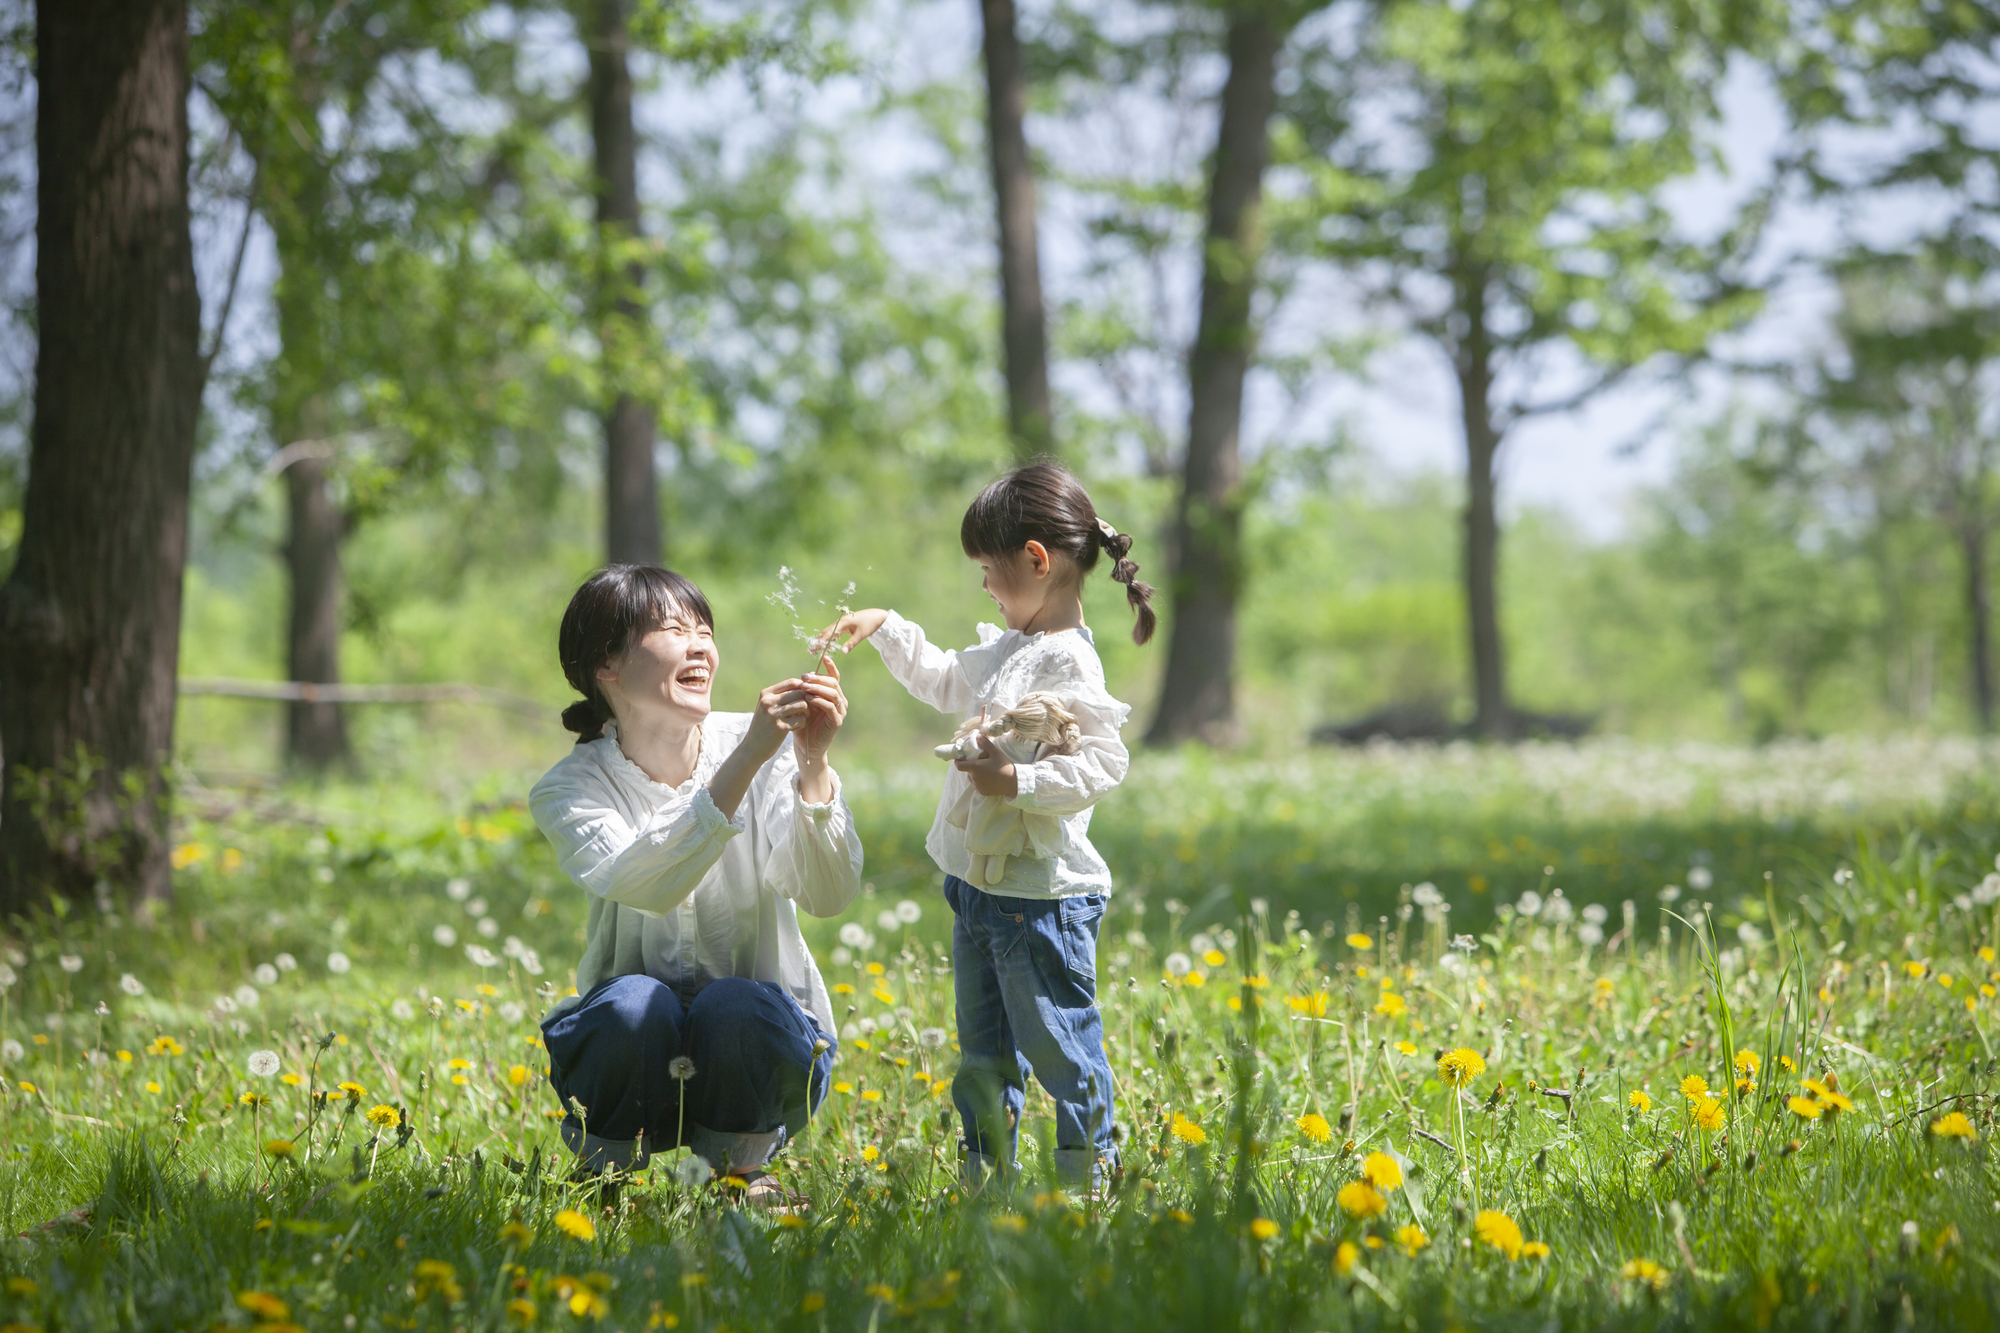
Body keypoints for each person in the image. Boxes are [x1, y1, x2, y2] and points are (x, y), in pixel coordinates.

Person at [821, 462, 1154, 1189]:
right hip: (976, 888)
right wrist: (885, 627)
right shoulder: (1012, 647)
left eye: (987, 570)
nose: (982, 586)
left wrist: (1019, 780)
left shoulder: (1066, 660)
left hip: (1040, 900)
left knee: (1059, 1041)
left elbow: (1103, 762)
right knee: (983, 1048)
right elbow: (945, 678)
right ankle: (986, 1173)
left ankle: (1089, 1170)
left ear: (1037, 559)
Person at [529, 565, 860, 1205]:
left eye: (704, 630)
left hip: (764, 1044)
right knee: (632, 1004)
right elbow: (644, 882)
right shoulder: (572, 788)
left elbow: (828, 895)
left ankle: (741, 1176)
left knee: (736, 1004)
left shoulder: (764, 747)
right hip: (632, 1054)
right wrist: (749, 759)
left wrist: (812, 761)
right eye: (672, 630)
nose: (700, 645)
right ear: (607, 666)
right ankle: (604, 1178)